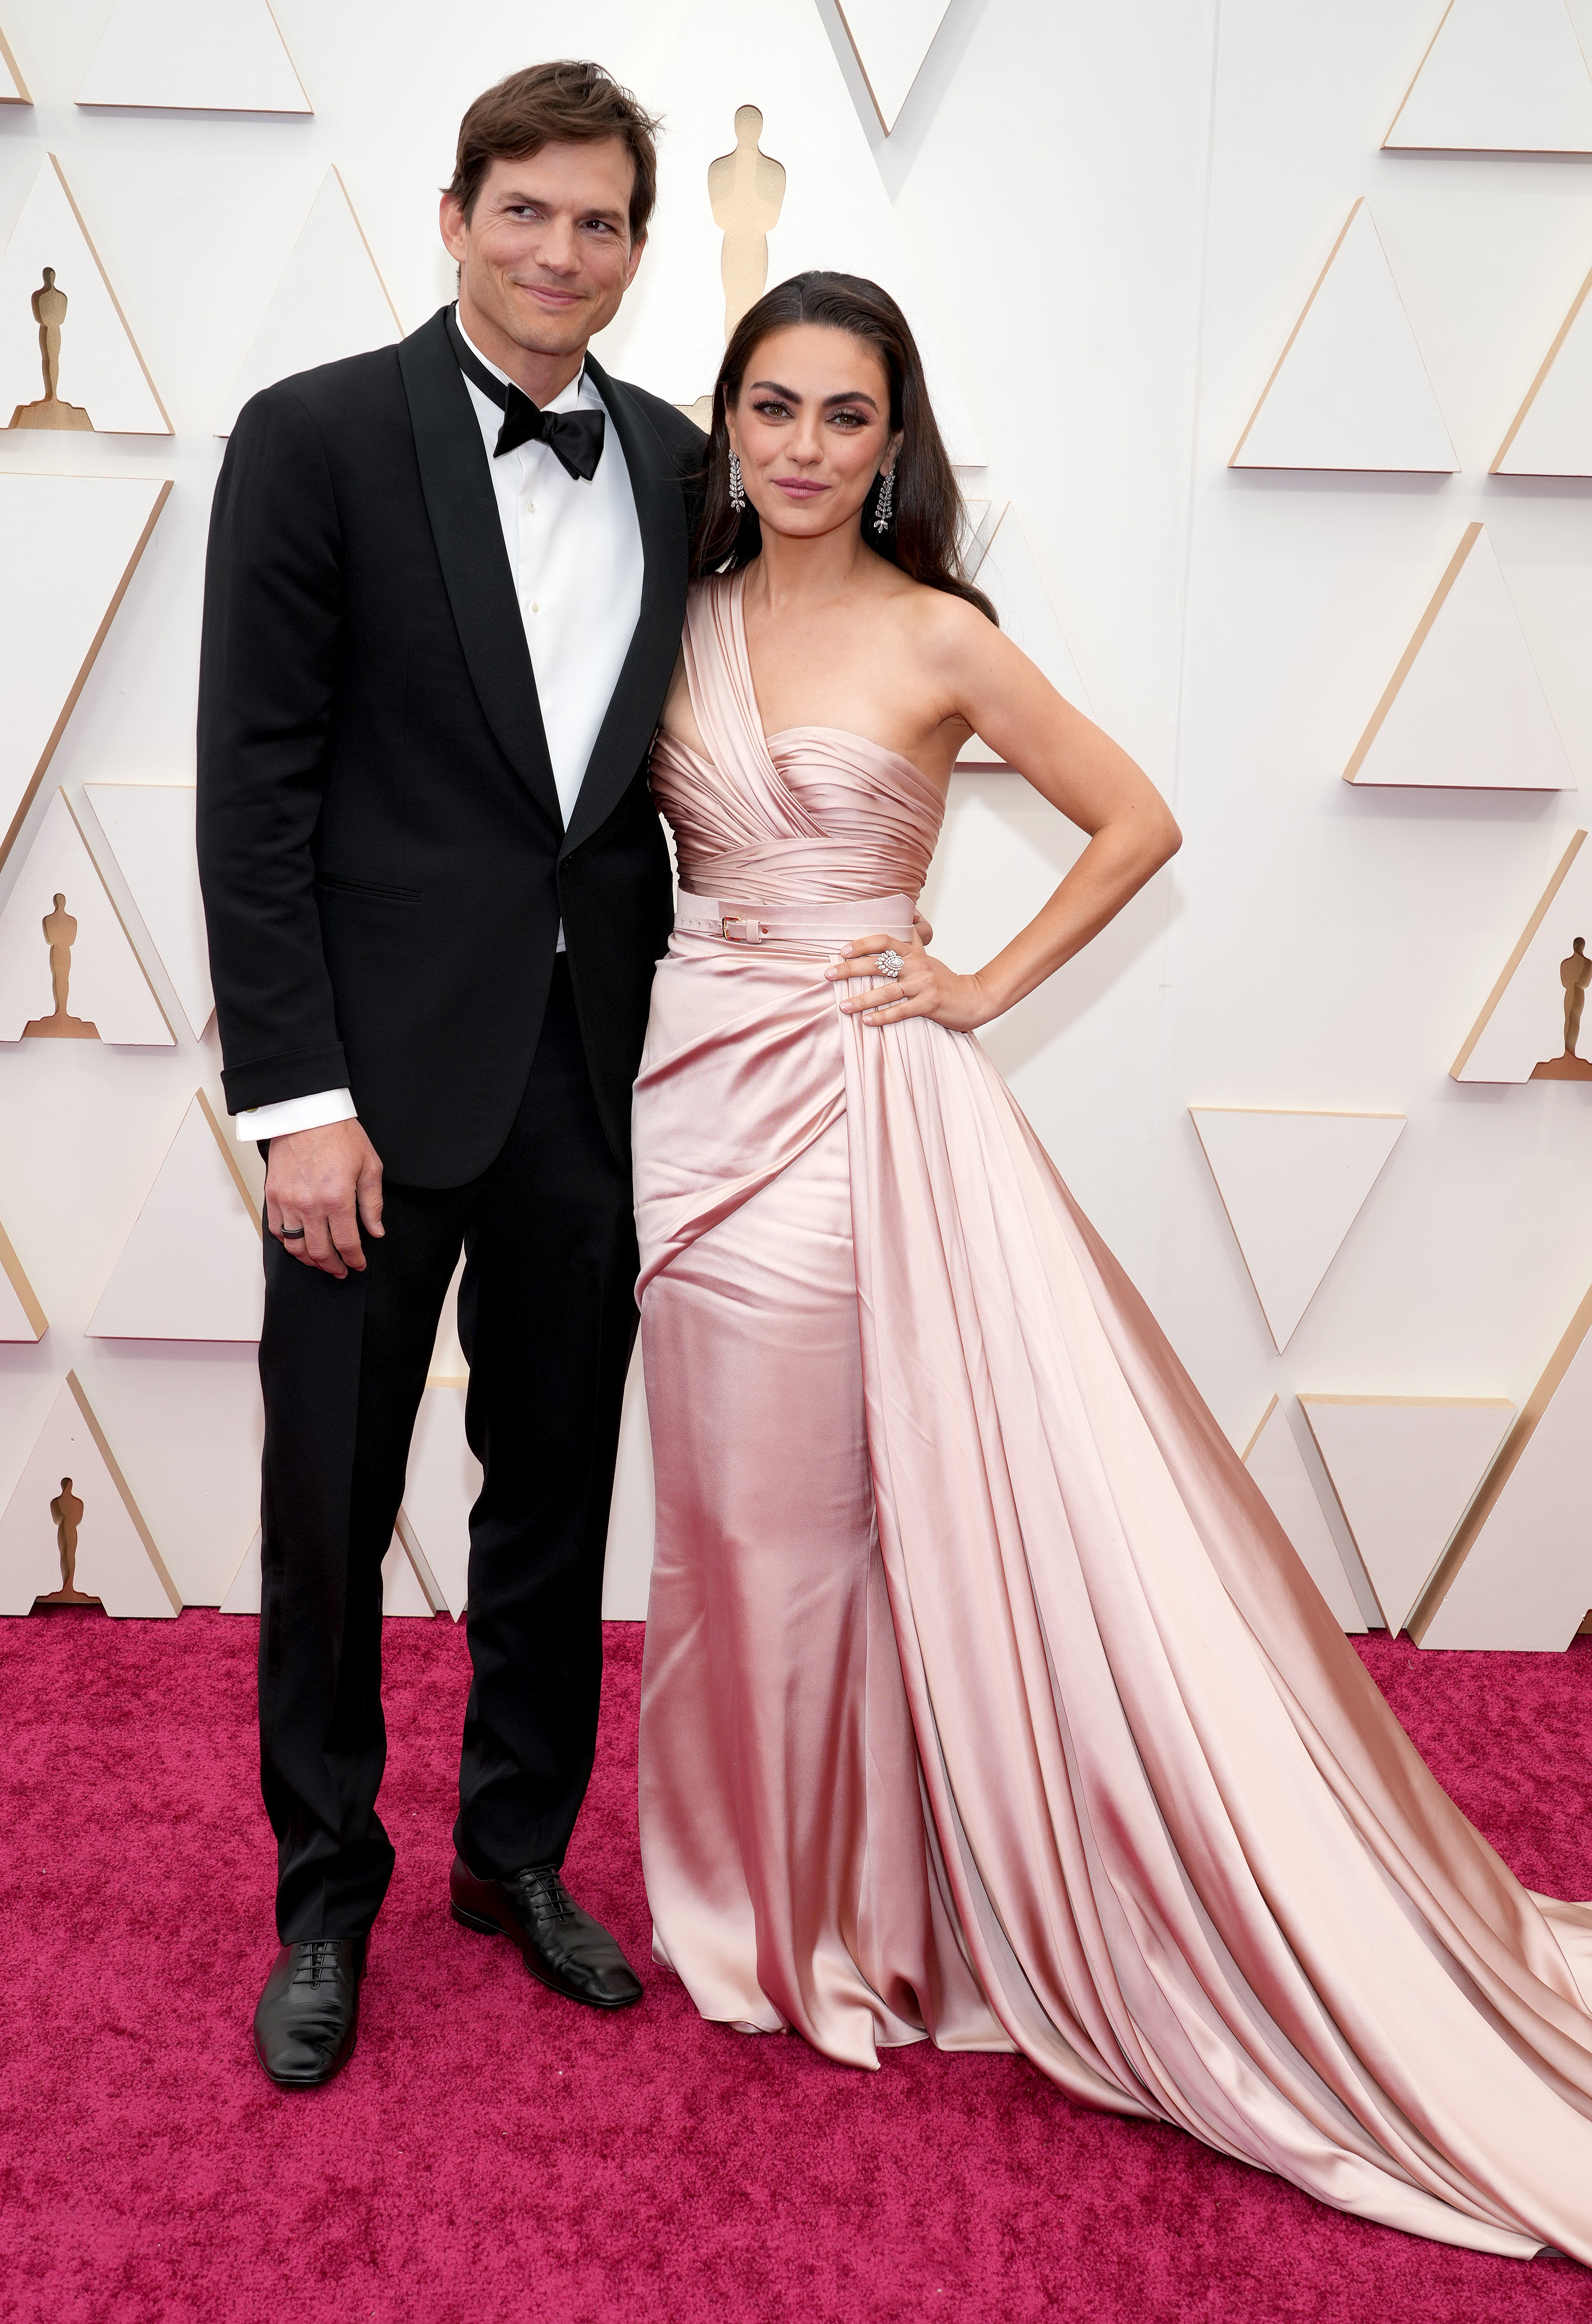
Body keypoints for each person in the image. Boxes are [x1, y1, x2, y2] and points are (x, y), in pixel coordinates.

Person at [632, 270, 1592, 2261]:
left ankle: (841, 1932)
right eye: (774, 407)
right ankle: (754, 1891)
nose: (804, 447)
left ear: (899, 445)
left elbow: (1135, 819)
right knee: (724, 1527)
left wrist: (973, 982)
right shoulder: (685, 617)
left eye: (846, 416)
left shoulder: (940, 633)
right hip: (682, 1100)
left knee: (815, 1533)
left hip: (840, 1112)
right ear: (726, 421)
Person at [197, 60, 702, 2089]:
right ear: (455, 215)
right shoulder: (314, 437)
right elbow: (255, 787)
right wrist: (294, 1099)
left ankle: (517, 1855)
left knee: (557, 1488)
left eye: (599, 223)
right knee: (329, 1497)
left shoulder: (679, 459)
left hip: (589, 1064)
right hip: (369, 1097)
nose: (561, 251)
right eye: (527, 212)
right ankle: (328, 1890)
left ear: (636, 253)